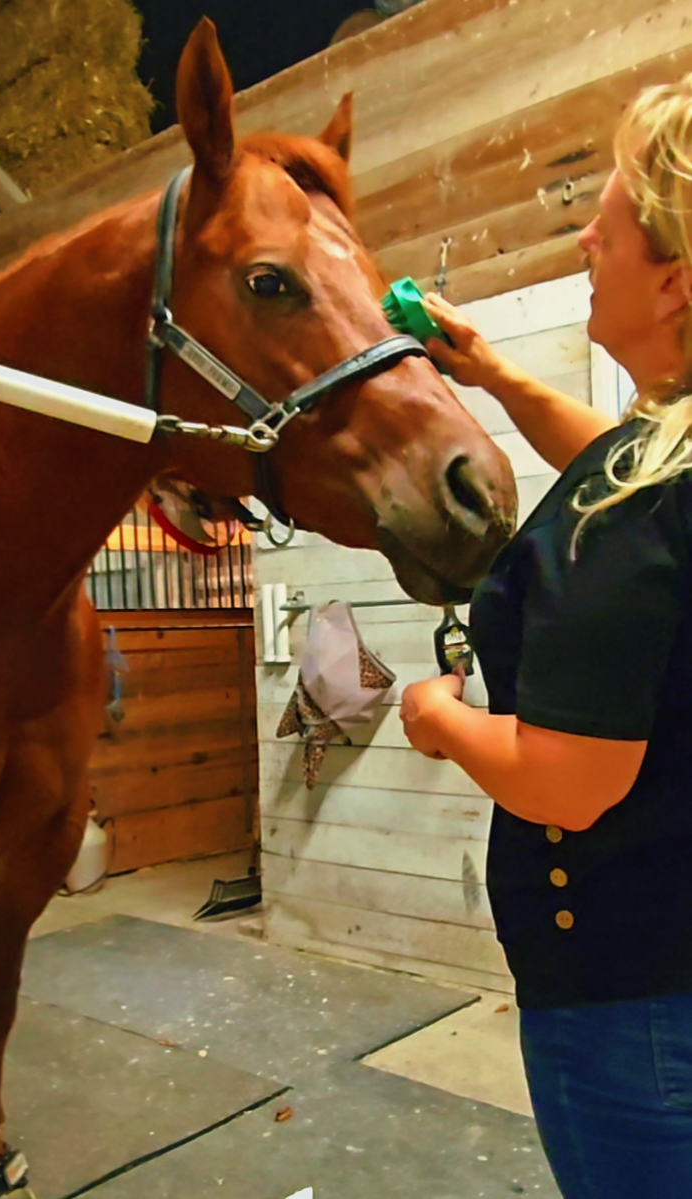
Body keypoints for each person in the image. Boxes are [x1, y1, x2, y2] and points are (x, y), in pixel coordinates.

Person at [398, 74, 692, 1199]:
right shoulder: (658, 467)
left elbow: (567, 782)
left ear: (670, 284)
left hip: (627, 1003)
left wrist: (443, 721)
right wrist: (495, 375)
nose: (582, 234)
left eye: (606, 225)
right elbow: (616, 466)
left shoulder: (634, 501)